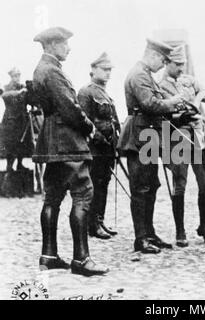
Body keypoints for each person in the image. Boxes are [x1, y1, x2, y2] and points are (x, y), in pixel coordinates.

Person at [32, 27, 108, 276]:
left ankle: (49, 255)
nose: (68, 48)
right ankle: (81, 259)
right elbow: (71, 108)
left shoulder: (40, 69)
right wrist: (90, 128)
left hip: (50, 142)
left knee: (52, 197)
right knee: (83, 194)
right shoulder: (54, 71)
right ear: (52, 45)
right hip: (68, 142)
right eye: (64, 44)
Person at [118, 39, 184, 254]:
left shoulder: (145, 75)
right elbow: (150, 104)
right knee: (141, 189)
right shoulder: (139, 75)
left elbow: (154, 105)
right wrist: (174, 101)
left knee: (151, 186)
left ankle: (149, 232)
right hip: (139, 137)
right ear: (153, 55)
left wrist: (172, 110)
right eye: (163, 60)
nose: (163, 65)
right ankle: (141, 238)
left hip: (147, 137)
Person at [159, 45, 205, 247]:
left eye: (182, 64)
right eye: (176, 64)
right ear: (166, 63)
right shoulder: (160, 86)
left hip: (198, 135)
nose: (180, 68)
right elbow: (160, 114)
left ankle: (204, 227)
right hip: (178, 136)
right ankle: (180, 231)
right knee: (180, 184)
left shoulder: (189, 80)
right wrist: (179, 116)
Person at [78, 53, 120, 240]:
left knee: (104, 183)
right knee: (94, 184)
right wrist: (100, 137)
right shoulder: (86, 92)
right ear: (93, 70)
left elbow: (112, 119)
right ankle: (92, 225)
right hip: (95, 147)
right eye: (104, 69)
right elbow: (83, 121)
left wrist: (116, 137)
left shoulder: (104, 93)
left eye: (110, 70)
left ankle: (99, 221)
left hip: (108, 147)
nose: (108, 73)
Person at [1, 68, 30, 172]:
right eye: (15, 76)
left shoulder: (23, 87)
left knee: (22, 143)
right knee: (11, 143)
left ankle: (20, 164)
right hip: (10, 120)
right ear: (11, 76)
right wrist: (19, 92)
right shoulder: (6, 88)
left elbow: (30, 99)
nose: (17, 78)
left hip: (22, 119)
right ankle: (9, 166)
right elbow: (5, 95)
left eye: (18, 75)